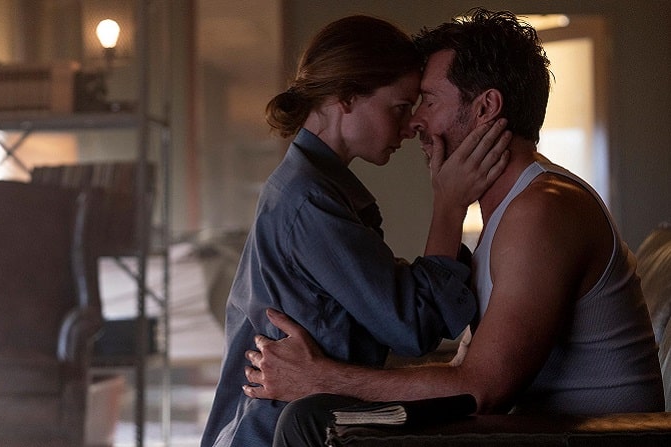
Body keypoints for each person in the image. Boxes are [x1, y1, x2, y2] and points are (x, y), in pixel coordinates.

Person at [241, 9, 665, 446]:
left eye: (429, 101)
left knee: (309, 418)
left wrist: (320, 379)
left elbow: (480, 391)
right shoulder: (508, 212)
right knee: (312, 416)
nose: (415, 122)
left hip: (585, 438)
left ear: (485, 108)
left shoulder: (541, 210)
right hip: (528, 429)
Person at [200, 14, 510, 447]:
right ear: (346, 97)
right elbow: (411, 327)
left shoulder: (316, 189)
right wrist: (448, 205)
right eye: (399, 107)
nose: (410, 126)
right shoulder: (309, 200)